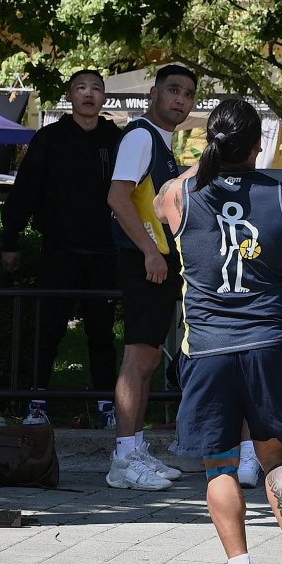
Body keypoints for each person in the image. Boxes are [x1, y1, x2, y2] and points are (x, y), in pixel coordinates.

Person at [155, 97, 282, 564]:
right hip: (268, 344)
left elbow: (175, 216)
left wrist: (208, 159)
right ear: (259, 145)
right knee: (277, 455)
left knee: (221, 464)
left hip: (206, 348)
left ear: (211, 142)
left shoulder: (176, 194)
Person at [0, 68, 121, 426]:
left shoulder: (117, 140)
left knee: (102, 333)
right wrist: (11, 240)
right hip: (59, 249)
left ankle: (106, 403)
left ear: (104, 97)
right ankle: (36, 400)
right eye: (81, 88)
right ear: (69, 95)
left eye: (96, 89)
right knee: (48, 329)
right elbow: (24, 193)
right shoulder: (49, 138)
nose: (88, 94)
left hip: (104, 252)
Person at [103, 63, 199, 490]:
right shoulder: (140, 136)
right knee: (138, 358)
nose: (180, 99)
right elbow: (117, 196)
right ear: (154, 94)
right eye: (173, 90)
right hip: (144, 261)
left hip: (157, 262)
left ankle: (135, 448)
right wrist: (148, 251)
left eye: (188, 94)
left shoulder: (161, 142)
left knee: (149, 358)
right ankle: (123, 457)